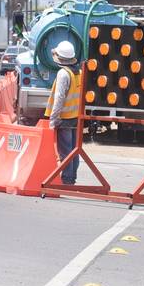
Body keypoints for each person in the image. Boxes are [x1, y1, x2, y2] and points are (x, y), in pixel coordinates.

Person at [44, 41, 82, 185]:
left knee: (66, 152)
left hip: (65, 119)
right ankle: (72, 178)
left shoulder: (63, 74)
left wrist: (53, 120)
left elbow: (59, 98)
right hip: (76, 118)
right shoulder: (78, 72)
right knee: (74, 151)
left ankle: (66, 180)